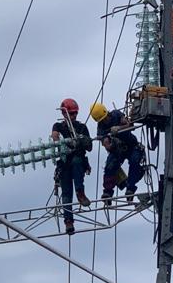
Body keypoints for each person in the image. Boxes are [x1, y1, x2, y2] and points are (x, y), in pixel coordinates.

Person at [89, 102, 145, 203]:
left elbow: (130, 124)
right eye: (102, 120)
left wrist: (119, 128)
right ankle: (108, 193)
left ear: (107, 113)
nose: (104, 121)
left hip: (131, 145)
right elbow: (105, 142)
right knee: (110, 166)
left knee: (134, 161)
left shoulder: (116, 114)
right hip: (117, 150)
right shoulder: (101, 127)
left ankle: (130, 188)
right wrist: (107, 145)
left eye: (105, 118)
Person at [51, 98, 92, 234]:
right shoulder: (59, 127)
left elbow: (89, 146)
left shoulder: (81, 127)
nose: (74, 116)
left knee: (76, 162)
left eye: (75, 113)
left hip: (78, 161)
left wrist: (80, 141)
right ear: (64, 114)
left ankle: (80, 193)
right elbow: (55, 136)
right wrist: (59, 139)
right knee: (66, 193)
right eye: (71, 113)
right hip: (64, 164)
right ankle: (68, 221)